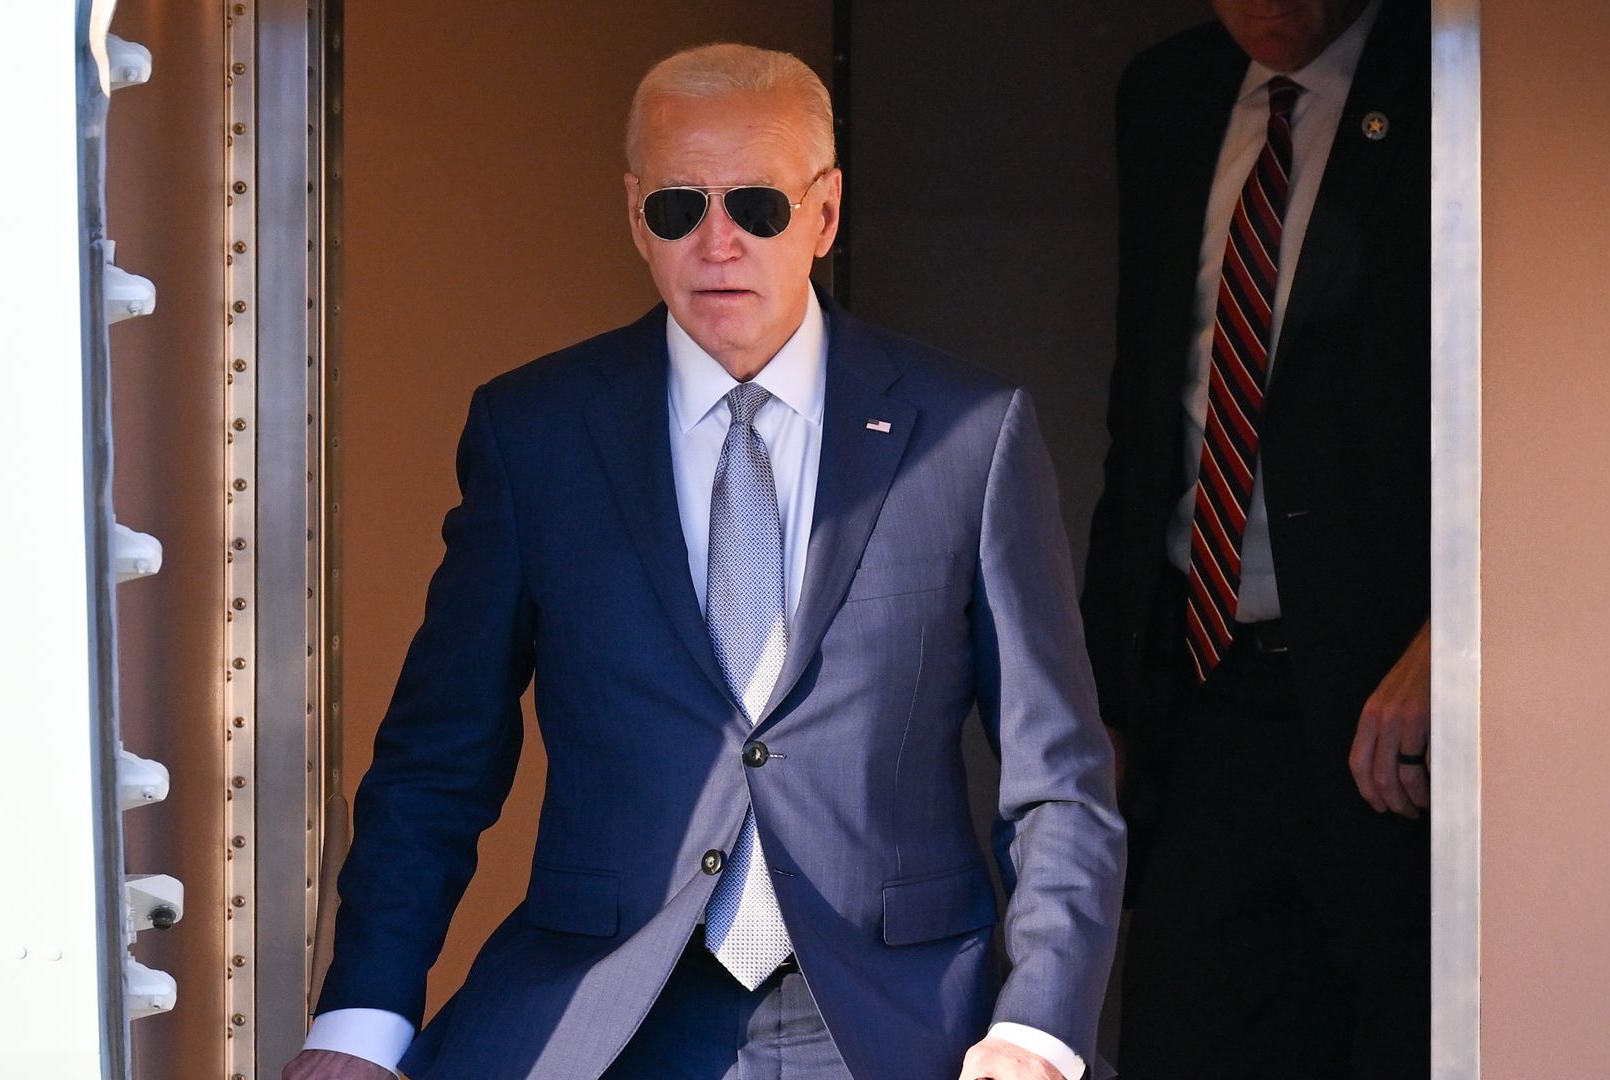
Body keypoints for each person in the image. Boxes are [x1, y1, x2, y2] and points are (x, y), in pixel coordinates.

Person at [284, 43, 1124, 1080]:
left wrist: (1037, 1030)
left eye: (759, 207)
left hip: (887, 1018)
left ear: (824, 213)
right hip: (604, 1013)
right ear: (635, 214)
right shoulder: (535, 434)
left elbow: (1058, 783)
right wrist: (359, 1027)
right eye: (681, 207)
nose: (718, 241)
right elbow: (437, 760)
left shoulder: (968, 435)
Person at [1081, 1, 1430, 1077]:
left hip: (1389, 711)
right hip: (1205, 700)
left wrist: (1462, 630)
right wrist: (1108, 705)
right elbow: (1144, 414)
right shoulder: (1168, 95)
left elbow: (1551, 396)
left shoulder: (1458, 69)